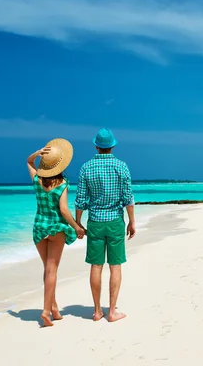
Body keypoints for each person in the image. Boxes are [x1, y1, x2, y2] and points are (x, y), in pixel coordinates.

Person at [75, 128, 136, 323]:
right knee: (115, 266)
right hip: (115, 221)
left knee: (96, 266)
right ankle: (111, 312)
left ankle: (96, 311)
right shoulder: (121, 166)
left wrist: (78, 223)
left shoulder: (86, 168)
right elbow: (128, 198)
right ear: (112, 146)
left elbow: (81, 200)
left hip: (95, 222)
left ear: (96, 146)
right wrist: (132, 222)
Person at [27, 138, 86, 327]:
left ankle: (54, 309)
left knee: (47, 269)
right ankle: (46, 311)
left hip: (39, 228)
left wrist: (37, 153)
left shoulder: (36, 180)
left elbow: (28, 161)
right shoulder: (62, 183)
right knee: (52, 270)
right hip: (56, 229)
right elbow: (63, 210)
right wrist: (77, 227)